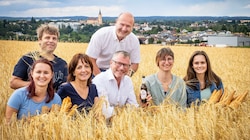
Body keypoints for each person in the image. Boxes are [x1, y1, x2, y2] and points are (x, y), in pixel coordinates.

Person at [9, 24, 68, 91]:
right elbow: (13, 83)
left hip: (54, 100)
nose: (51, 41)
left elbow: (65, 87)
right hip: (30, 99)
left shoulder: (62, 64)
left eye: (54, 38)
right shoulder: (28, 59)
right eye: (47, 38)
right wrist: (36, 85)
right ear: (40, 40)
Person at [6, 59, 62, 123]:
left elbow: (55, 126)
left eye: (46, 72)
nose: (42, 76)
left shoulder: (56, 99)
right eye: (38, 72)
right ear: (32, 73)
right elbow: (8, 125)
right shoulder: (18, 95)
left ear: (51, 75)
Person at [86, 12, 140, 77]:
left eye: (128, 26)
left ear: (133, 27)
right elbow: (90, 59)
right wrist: (101, 79)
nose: (124, 29)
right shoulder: (101, 34)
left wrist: (126, 77)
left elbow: (135, 63)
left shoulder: (134, 40)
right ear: (116, 22)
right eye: (122, 24)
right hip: (97, 70)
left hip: (121, 72)